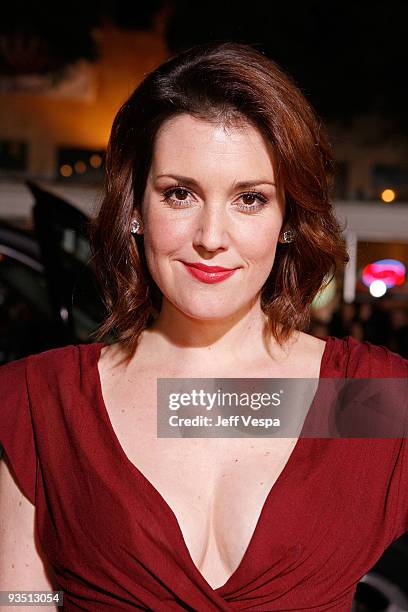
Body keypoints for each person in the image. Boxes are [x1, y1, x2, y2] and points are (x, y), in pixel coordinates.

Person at [0, 41, 407, 611]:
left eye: (249, 199)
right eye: (180, 194)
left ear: (287, 218)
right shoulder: (42, 405)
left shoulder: (369, 397)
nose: (211, 237)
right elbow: (20, 600)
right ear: (135, 208)